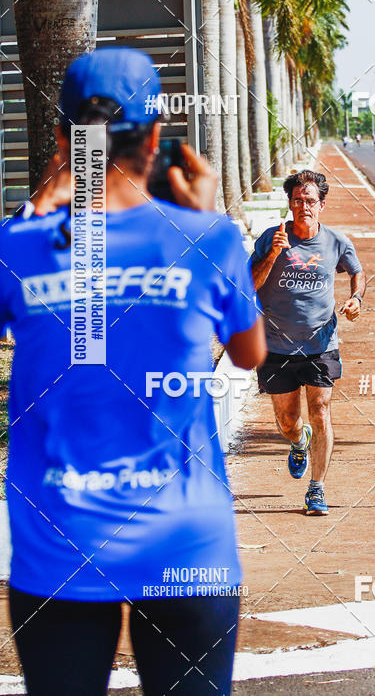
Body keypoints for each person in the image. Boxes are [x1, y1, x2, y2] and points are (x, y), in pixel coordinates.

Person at [3, 48, 266, 696]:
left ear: (64, 139)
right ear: (154, 139)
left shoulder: (19, 247)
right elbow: (250, 354)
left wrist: (43, 201)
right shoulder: (209, 238)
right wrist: (205, 220)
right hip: (184, 548)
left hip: (61, 547)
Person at [250, 170, 366, 516]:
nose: (304, 206)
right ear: (289, 204)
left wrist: (356, 299)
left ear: (322, 205)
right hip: (276, 347)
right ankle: (298, 443)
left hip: (321, 342)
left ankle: (317, 490)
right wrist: (272, 255)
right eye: (298, 200)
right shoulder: (272, 238)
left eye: (310, 201)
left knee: (321, 410)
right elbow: (249, 285)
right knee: (289, 422)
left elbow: (356, 271)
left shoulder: (336, 241)